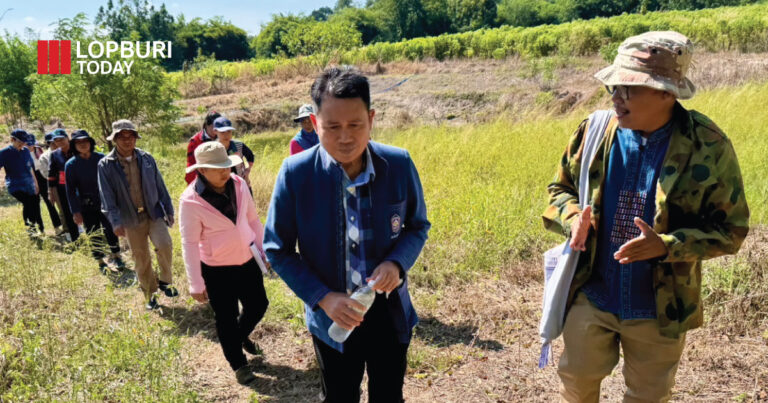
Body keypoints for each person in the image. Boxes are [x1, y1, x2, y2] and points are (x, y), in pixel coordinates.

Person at [542, 31, 750, 402]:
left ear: (667, 93)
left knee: (648, 397)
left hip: (659, 309)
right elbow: (559, 189)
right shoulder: (594, 131)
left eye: (629, 88)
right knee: (576, 381)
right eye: (614, 87)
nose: (616, 97)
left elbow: (730, 231)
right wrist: (574, 218)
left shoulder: (707, 145)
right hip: (593, 292)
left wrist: (667, 245)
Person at [264, 67, 430, 403]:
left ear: (371, 118)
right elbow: (277, 248)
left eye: (355, 125)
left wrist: (396, 264)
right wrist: (324, 298)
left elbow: (416, 226)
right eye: (332, 127)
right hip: (332, 317)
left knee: (388, 394)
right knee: (339, 396)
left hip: (388, 312)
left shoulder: (397, 163)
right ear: (314, 122)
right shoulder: (296, 174)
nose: (345, 137)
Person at [180, 141, 269, 385]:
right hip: (217, 269)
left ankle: (237, 338)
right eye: (215, 167)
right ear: (201, 170)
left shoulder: (239, 184)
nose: (223, 171)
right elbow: (188, 244)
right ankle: (238, 363)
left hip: (247, 259)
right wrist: (195, 282)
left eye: (225, 166)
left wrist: (263, 251)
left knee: (259, 305)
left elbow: (252, 219)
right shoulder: (190, 201)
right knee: (226, 317)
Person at [98, 119, 177, 310]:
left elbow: (160, 185)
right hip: (130, 219)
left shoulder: (147, 158)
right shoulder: (106, 164)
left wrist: (169, 209)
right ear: (115, 139)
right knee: (141, 258)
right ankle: (150, 294)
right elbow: (107, 196)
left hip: (153, 213)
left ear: (135, 138)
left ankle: (166, 281)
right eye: (122, 137)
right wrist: (115, 222)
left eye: (131, 136)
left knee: (165, 244)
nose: (127, 141)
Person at [65, 130, 125, 273]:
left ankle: (116, 256)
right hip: (86, 205)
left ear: (90, 143)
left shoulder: (101, 159)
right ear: (74, 145)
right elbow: (71, 191)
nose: (83, 145)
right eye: (78, 142)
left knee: (111, 229)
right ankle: (100, 260)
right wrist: (75, 211)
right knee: (94, 232)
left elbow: (113, 182)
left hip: (106, 201)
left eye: (85, 141)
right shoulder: (71, 164)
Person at [0, 129, 42, 234]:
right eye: (20, 142)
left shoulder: (26, 151)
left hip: (29, 184)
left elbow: (30, 168)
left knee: (33, 204)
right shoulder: (4, 153)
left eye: (24, 142)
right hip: (14, 185)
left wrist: (36, 183)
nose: (22, 144)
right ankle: (30, 229)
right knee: (28, 203)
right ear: (12, 139)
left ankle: (34, 227)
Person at [26, 133, 63, 235]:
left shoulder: (40, 150)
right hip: (30, 178)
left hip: (43, 176)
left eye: (31, 144)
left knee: (49, 202)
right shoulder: (22, 154)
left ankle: (57, 226)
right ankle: (39, 229)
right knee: (34, 204)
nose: (30, 146)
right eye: (27, 144)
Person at [47, 129, 79, 242]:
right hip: (63, 187)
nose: (59, 142)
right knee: (67, 212)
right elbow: (51, 174)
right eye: (56, 140)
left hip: (80, 185)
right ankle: (75, 239)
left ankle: (94, 235)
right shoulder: (55, 154)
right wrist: (51, 191)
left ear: (67, 138)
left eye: (61, 139)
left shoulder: (77, 149)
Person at [39, 130, 70, 239]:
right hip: (57, 186)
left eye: (60, 140)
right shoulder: (45, 157)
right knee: (63, 209)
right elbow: (46, 174)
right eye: (53, 142)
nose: (55, 144)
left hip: (71, 184)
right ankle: (67, 231)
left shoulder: (68, 151)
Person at [213, 116, 255, 187]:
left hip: (242, 184)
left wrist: (247, 170)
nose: (226, 135)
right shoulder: (212, 149)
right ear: (215, 131)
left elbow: (250, 156)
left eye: (229, 131)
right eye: (222, 132)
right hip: (222, 186)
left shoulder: (239, 145)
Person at [185, 110, 221, 184]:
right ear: (207, 125)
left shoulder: (222, 137)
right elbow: (191, 164)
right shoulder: (195, 141)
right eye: (214, 126)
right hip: (202, 178)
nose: (216, 129)